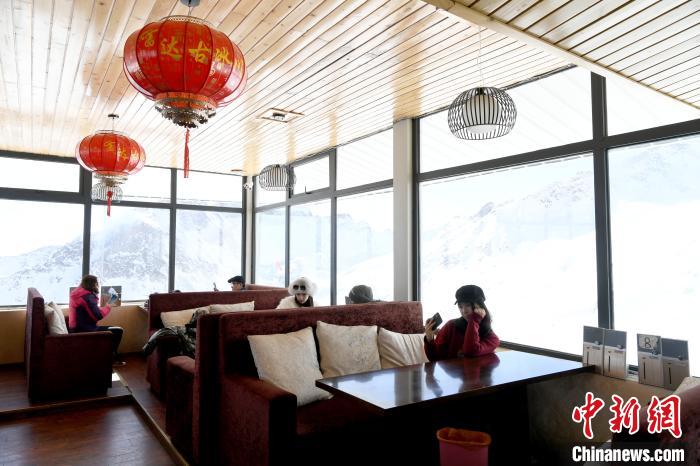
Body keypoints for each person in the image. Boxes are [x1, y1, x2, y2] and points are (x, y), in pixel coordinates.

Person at [424, 284, 500, 361]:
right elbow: (434, 359)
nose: (464, 311)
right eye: (460, 307)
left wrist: (474, 320)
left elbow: (471, 351)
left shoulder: (492, 338)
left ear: (480, 306)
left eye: (468, 305)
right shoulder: (450, 326)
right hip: (453, 369)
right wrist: (429, 339)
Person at [69, 274, 125, 367]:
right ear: (93, 284)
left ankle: (109, 358)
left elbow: (89, 311)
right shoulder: (87, 297)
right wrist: (108, 306)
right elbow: (98, 316)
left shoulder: (78, 295)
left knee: (114, 330)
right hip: (87, 330)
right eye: (97, 283)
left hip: (77, 328)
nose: (97, 285)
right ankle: (110, 359)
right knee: (118, 330)